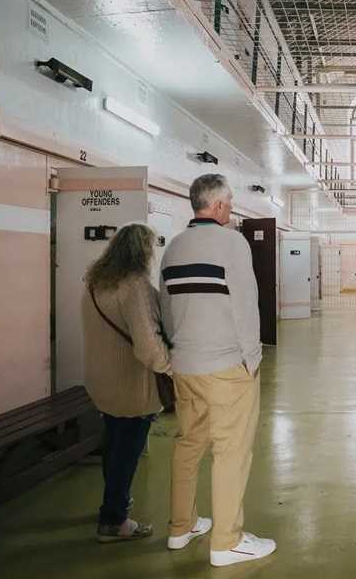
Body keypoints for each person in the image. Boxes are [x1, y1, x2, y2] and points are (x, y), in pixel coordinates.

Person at [160, 173, 275, 567]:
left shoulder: (174, 246)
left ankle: (181, 526)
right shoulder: (231, 242)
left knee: (189, 443)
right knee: (231, 450)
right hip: (226, 365)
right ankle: (226, 541)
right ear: (221, 206)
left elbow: (165, 309)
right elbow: (245, 302)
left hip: (184, 364)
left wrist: (178, 352)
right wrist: (253, 358)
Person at [82, 223, 171, 543]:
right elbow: (148, 347)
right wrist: (171, 367)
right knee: (127, 452)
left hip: (101, 380)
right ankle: (114, 519)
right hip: (131, 384)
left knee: (114, 443)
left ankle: (114, 503)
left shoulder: (96, 282)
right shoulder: (135, 286)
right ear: (142, 252)